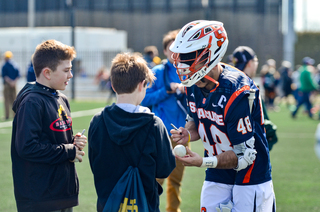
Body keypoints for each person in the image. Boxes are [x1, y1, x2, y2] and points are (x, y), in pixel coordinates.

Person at [169, 20, 275, 212]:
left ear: (211, 53)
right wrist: (188, 133)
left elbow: (244, 156)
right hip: (217, 172)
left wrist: (202, 161)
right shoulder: (193, 83)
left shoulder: (237, 90)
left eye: (190, 55)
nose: (184, 63)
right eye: (181, 56)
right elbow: (196, 119)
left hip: (250, 175)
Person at [88, 52, 176, 212]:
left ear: (113, 86)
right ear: (142, 85)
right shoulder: (154, 124)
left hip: (108, 204)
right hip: (143, 204)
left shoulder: (97, 121)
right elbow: (165, 168)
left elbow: (95, 163)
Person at [11, 40, 87, 212]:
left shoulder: (61, 98)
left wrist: (73, 142)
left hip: (61, 193)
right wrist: (68, 150)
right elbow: (28, 147)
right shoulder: (32, 102)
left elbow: (53, 137)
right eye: (66, 70)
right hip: (41, 198)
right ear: (47, 72)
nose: (71, 75)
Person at [141, 29, 188, 212]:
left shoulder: (188, 71)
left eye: (179, 48)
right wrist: (167, 90)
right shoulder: (158, 71)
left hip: (183, 133)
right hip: (161, 133)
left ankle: (173, 211)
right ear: (165, 51)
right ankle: (150, 208)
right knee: (157, 178)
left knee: (176, 179)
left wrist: (186, 91)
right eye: (171, 48)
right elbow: (145, 98)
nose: (175, 52)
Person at [232, 46, 278, 151]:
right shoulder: (251, 86)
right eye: (256, 60)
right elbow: (261, 121)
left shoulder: (228, 84)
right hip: (248, 147)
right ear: (250, 63)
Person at [1, 51, 20, 120]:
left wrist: (10, 82)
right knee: (14, 100)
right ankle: (15, 115)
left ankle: (7, 116)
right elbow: (18, 75)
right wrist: (13, 82)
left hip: (7, 85)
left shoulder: (4, 65)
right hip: (14, 84)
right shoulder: (15, 65)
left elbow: (4, 76)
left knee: (6, 100)